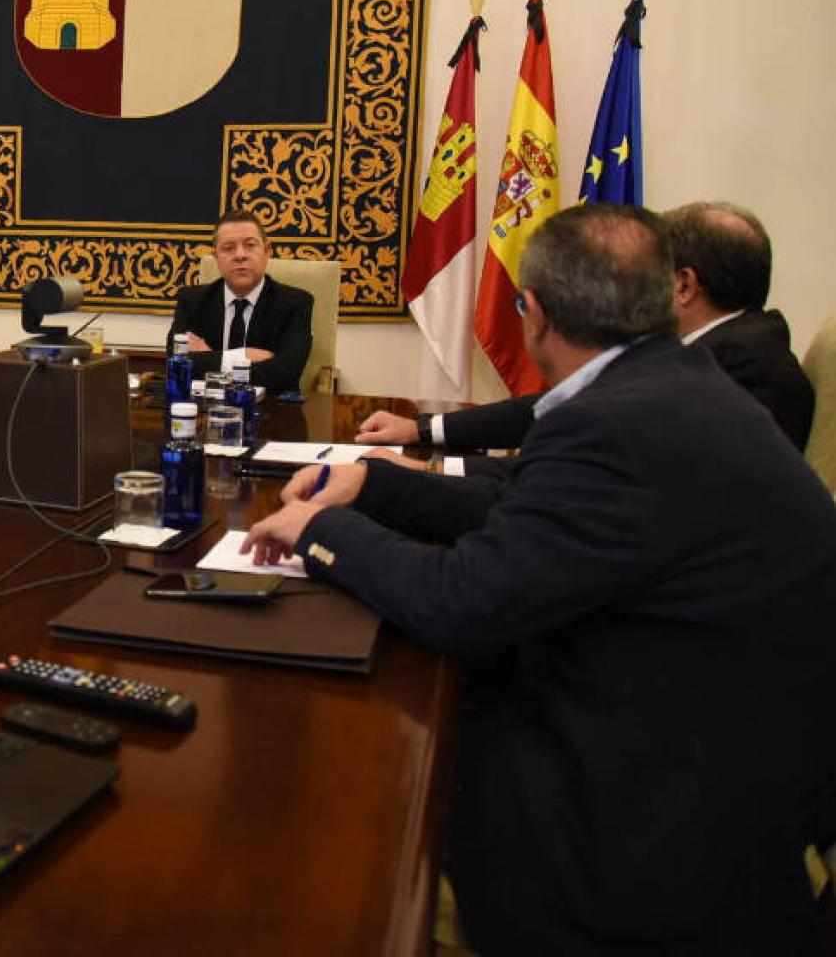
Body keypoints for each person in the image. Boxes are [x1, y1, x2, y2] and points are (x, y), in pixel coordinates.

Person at [240, 204, 836, 954]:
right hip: (707, 736)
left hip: (654, 832)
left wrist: (321, 530)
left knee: (342, 801)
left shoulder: (621, 422)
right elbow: (526, 503)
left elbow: (463, 602)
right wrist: (373, 487)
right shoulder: (666, 384)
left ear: (537, 316)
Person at [357, 201, 815, 460]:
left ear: (683, 285)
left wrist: (420, 469)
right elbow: (564, 404)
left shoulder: (739, 368)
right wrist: (424, 429)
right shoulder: (725, 348)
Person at [164, 209, 313, 395]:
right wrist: (243, 356)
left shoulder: (295, 303)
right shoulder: (192, 300)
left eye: (250, 245)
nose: (240, 255)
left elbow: (285, 373)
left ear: (267, 251)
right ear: (216, 256)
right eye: (228, 248)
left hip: (273, 412)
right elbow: (175, 362)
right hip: (204, 411)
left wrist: (209, 357)